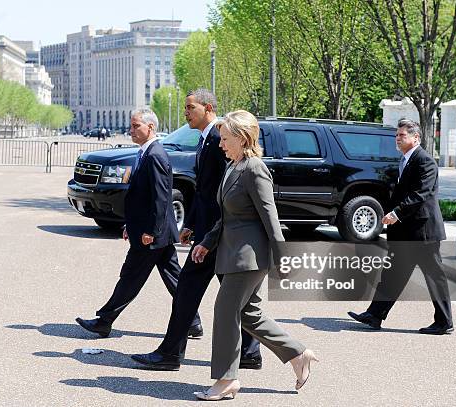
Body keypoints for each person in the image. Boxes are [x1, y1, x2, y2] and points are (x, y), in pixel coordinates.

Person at [190, 110, 317, 401]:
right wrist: (207, 243)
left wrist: (283, 256)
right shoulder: (234, 166)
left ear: (242, 137)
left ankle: (226, 380)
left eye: (225, 138)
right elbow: (226, 217)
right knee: (250, 315)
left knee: (225, 312)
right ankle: (298, 354)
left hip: (248, 257)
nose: (220, 144)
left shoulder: (254, 168)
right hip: (232, 253)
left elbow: (270, 217)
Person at [131, 90, 262, 371]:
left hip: (216, 234)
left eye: (191, 107)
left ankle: (170, 354)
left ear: (208, 108)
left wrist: (210, 232)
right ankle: (250, 352)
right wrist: (190, 221)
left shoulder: (217, 139)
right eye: (185, 107)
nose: (186, 112)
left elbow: (227, 190)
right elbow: (204, 189)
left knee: (187, 291)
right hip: (210, 230)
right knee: (237, 298)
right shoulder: (206, 140)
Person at [75, 109, 200, 337]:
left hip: (152, 234)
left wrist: (150, 230)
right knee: (174, 278)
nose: (130, 130)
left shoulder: (155, 156)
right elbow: (142, 197)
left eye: (135, 126)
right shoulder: (146, 152)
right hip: (152, 231)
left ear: (150, 127)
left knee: (130, 276)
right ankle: (193, 322)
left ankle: (104, 320)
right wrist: (129, 224)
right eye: (131, 126)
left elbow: (162, 198)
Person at [348, 118, 453, 335]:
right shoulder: (405, 160)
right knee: (393, 275)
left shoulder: (425, 161)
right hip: (406, 232)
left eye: (402, 135)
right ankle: (374, 315)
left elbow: (421, 194)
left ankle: (444, 322)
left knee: (434, 277)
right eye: (396, 135)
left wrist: (397, 212)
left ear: (416, 138)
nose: (397, 138)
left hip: (423, 233)